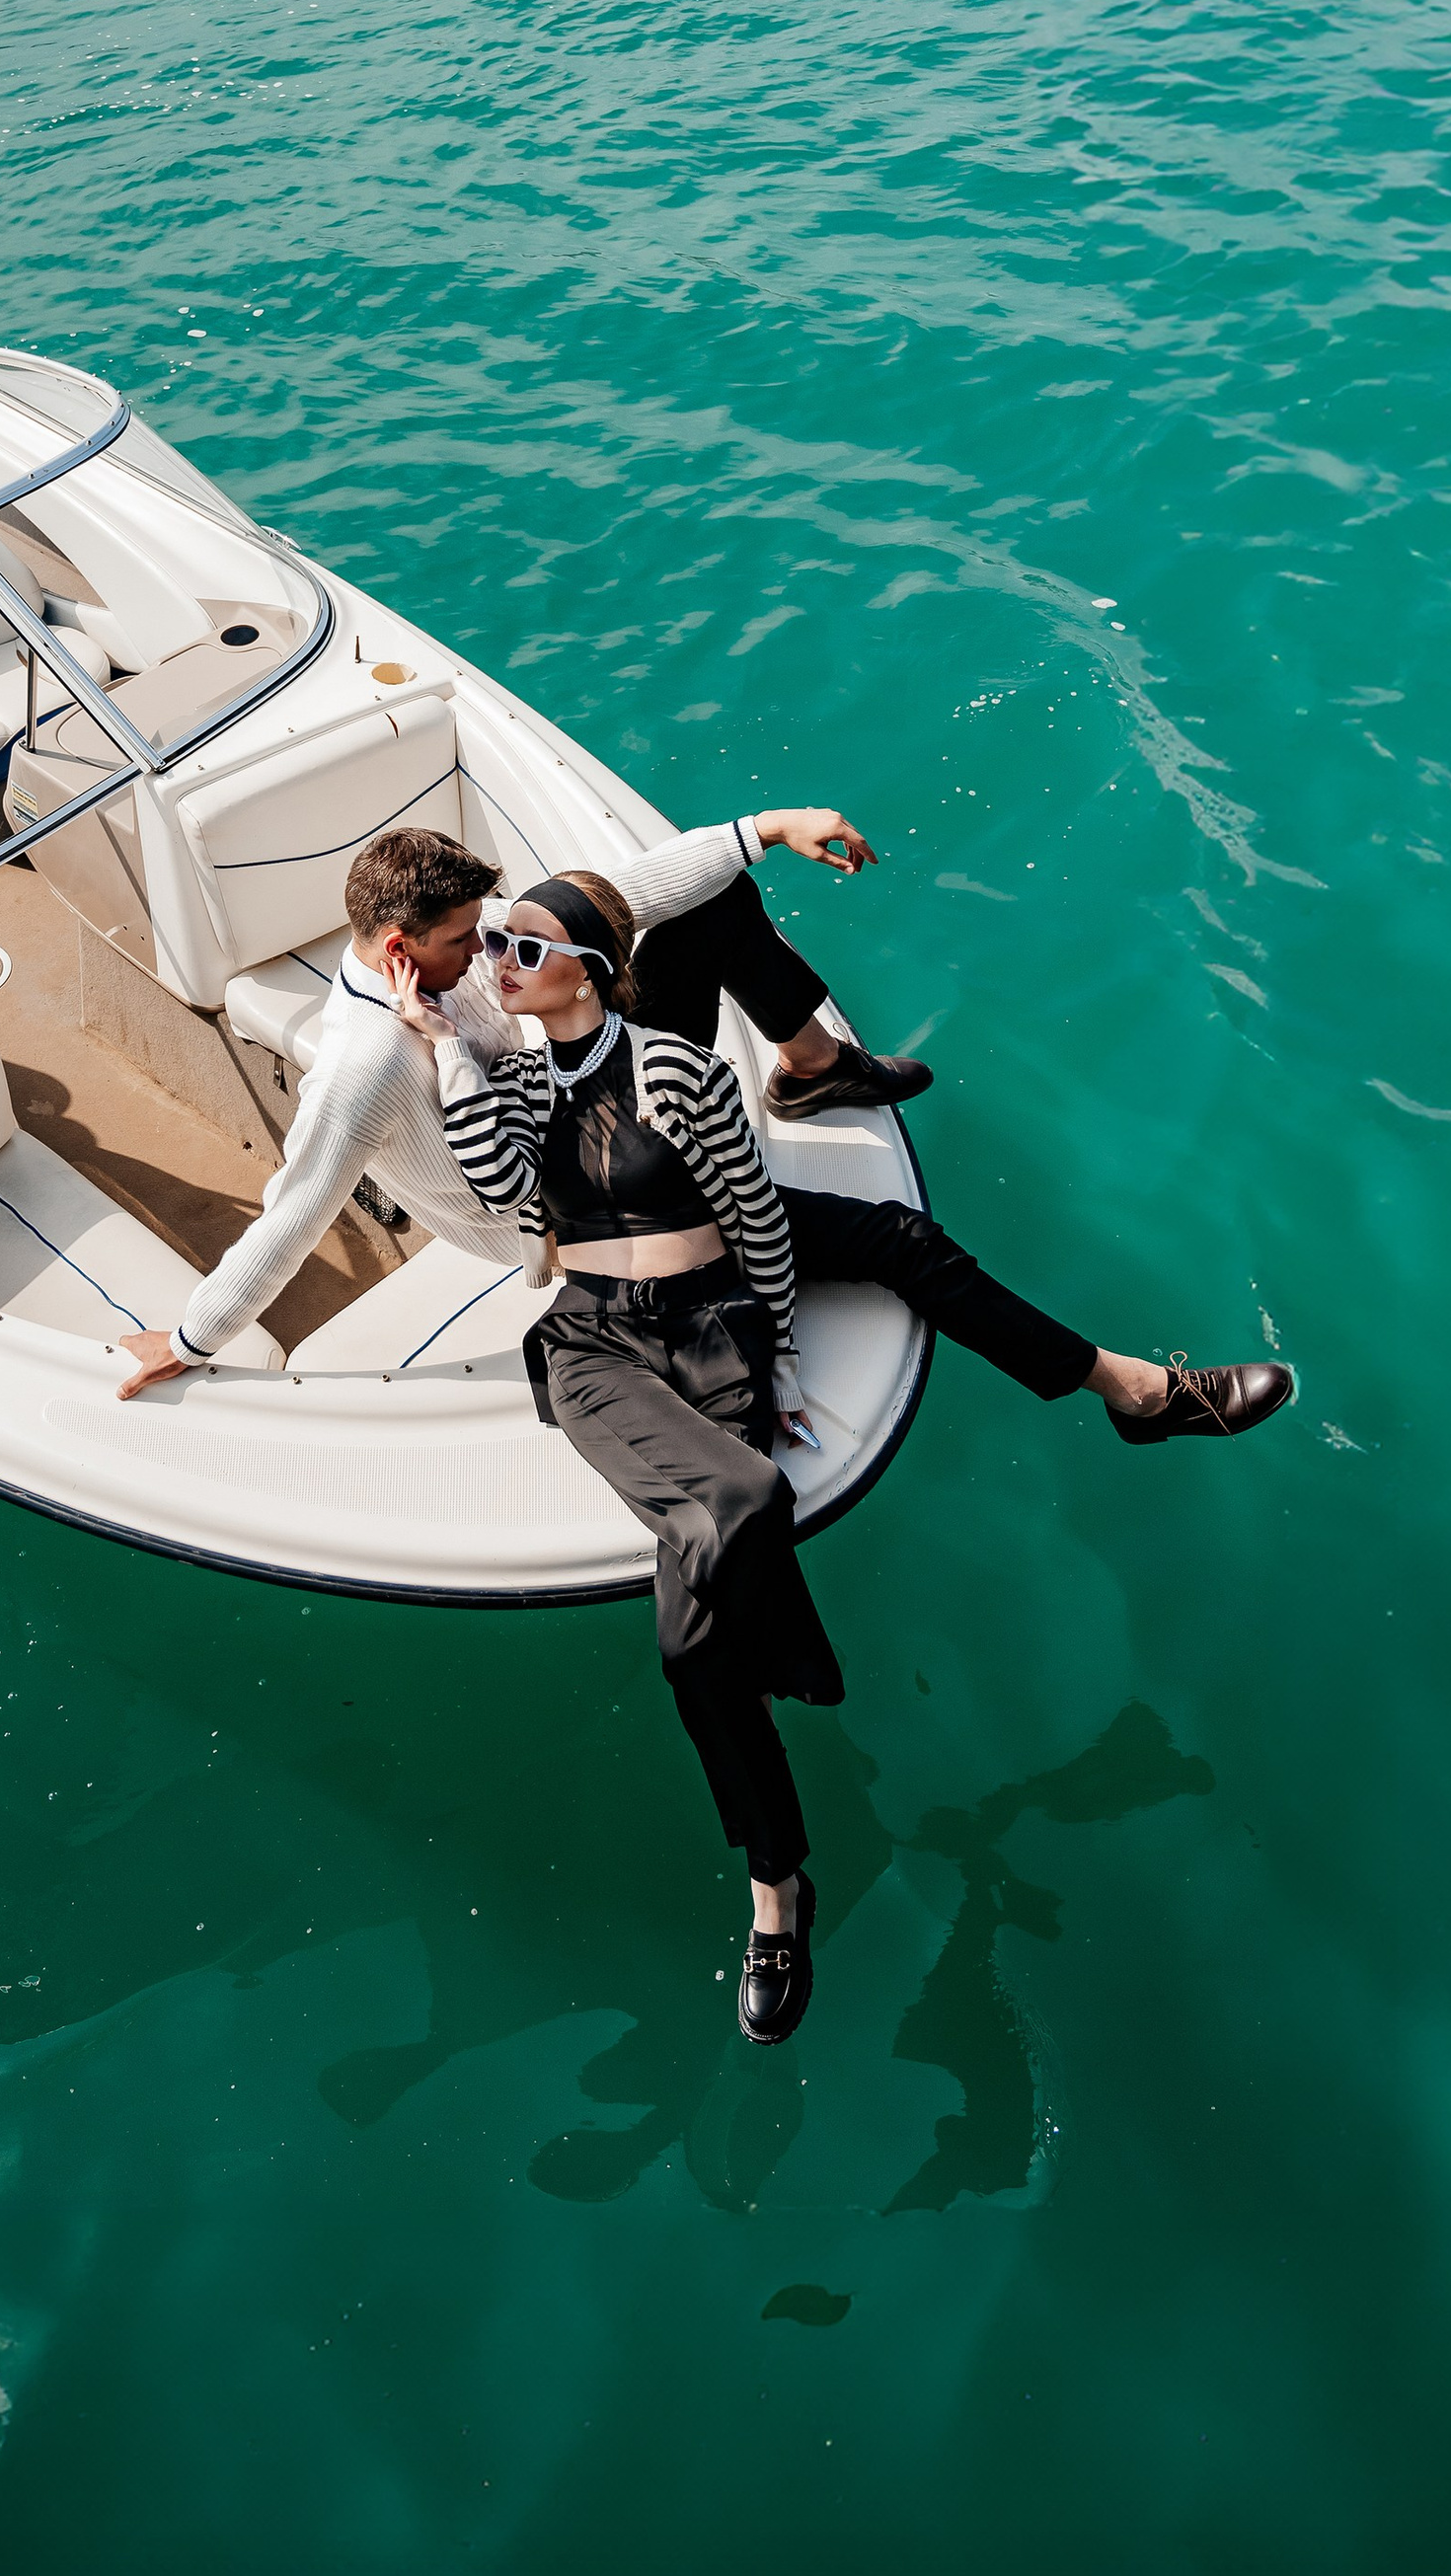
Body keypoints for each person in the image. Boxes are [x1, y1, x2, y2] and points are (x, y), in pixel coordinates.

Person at [416, 872, 1295, 2051]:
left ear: (591, 965)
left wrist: (777, 1354)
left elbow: (755, 1214)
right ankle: (780, 1858)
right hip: (593, 1343)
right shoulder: (515, 1080)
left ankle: (776, 1888)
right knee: (732, 1531)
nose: (497, 961)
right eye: (493, 944)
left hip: (709, 1308)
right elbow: (502, 1190)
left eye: (524, 946)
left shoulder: (676, 1069)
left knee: (693, 1631)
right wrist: (451, 1054)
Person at [114, 804, 925, 1402]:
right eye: (466, 938)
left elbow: (623, 898)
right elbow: (292, 1212)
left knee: (709, 905)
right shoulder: (363, 1068)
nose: (486, 949)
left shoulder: (451, 944)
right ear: (399, 948)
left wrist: (769, 829)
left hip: (569, 1103)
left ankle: (812, 1068)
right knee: (866, 1238)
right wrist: (189, 1338)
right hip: (556, 1208)